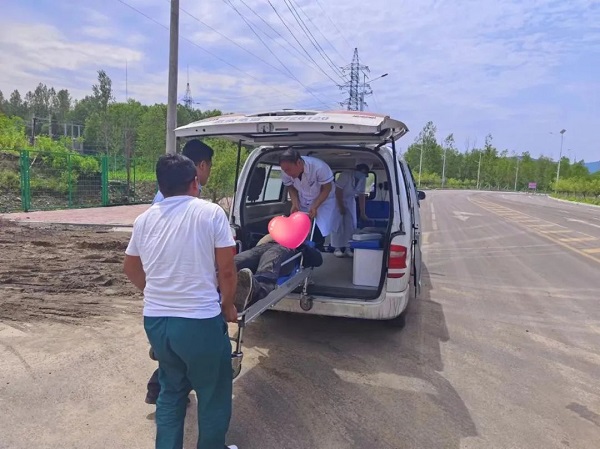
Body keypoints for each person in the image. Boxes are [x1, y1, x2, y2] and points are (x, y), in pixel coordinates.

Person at [124, 153, 240, 449]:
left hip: (157, 323)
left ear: (160, 186)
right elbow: (227, 270)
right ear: (194, 182)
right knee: (213, 392)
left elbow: (131, 267)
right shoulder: (210, 213)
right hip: (198, 322)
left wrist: (155, 292)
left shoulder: (144, 219)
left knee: (171, 390)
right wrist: (227, 305)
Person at [146, 234, 323, 402]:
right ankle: (240, 287)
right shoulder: (267, 239)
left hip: (284, 248)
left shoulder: (296, 244)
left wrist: (302, 246)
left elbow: (317, 260)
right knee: (235, 264)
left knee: (192, 339)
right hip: (259, 249)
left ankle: (161, 368)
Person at [279, 149, 336, 251]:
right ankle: (302, 251)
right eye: (284, 170)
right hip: (304, 199)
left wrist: (315, 206)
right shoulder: (286, 171)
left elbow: (327, 188)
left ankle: (318, 250)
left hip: (323, 201)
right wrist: (295, 203)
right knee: (302, 228)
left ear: (298, 163)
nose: (287, 173)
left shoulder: (319, 167)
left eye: (288, 169)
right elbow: (290, 187)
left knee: (318, 229)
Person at [151, 139, 213, 204]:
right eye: (210, 167)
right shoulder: (181, 191)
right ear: (202, 165)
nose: (210, 173)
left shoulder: (170, 187)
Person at [330, 164, 370, 257]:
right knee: (338, 224)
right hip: (337, 200)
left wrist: (363, 212)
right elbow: (338, 191)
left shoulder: (362, 179)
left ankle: (348, 248)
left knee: (351, 224)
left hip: (350, 200)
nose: (362, 175)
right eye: (361, 172)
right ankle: (337, 248)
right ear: (356, 170)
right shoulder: (345, 175)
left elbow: (361, 195)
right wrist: (341, 206)